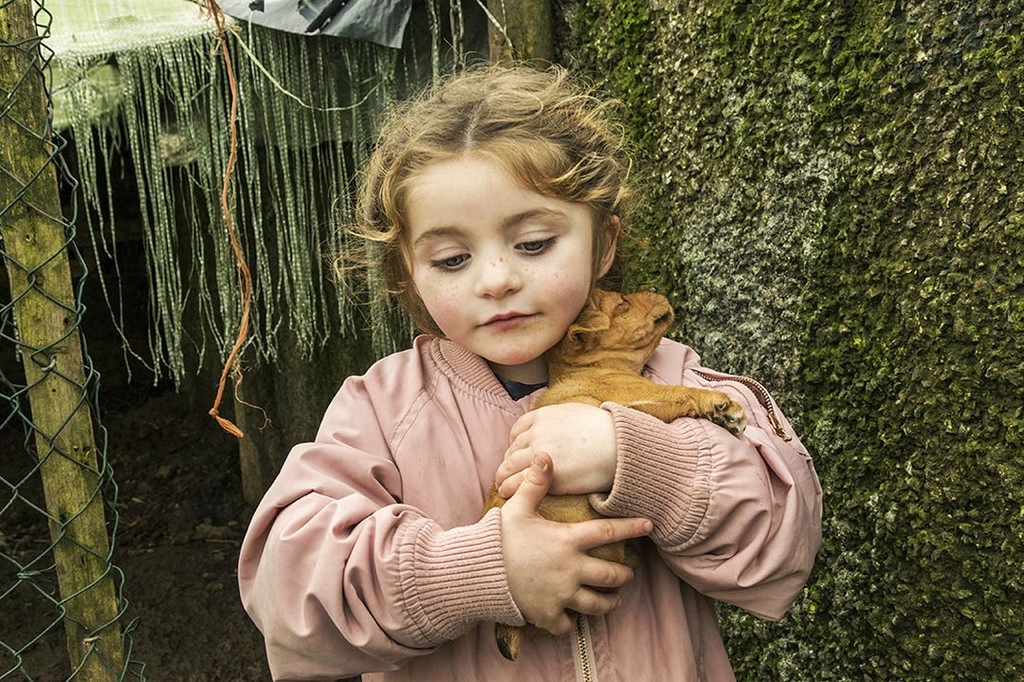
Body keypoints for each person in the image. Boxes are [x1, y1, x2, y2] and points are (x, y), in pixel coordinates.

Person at [237, 64, 823, 681]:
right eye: (452, 258)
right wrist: (477, 572)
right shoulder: (383, 409)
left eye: (535, 244)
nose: (496, 279)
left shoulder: (672, 376)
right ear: (410, 270)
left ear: (603, 245)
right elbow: (286, 597)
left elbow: (782, 542)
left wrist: (638, 459)